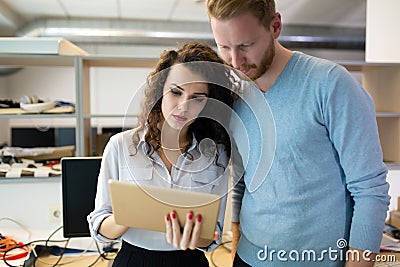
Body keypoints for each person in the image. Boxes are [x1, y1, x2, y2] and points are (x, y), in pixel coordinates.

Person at [206, 0, 391, 266]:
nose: (236, 61)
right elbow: (242, 183)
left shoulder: (330, 84)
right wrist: (236, 245)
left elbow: (370, 190)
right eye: (224, 47)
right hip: (247, 259)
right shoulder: (237, 98)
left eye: (246, 45)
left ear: (275, 26)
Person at [87, 41, 239, 267]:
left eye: (197, 98)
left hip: (188, 261)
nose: (183, 106)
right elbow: (99, 226)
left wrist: (196, 235)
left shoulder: (216, 155)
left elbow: (212, 236)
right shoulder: (121, 145)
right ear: (160, 90)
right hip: (134, 259)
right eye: (176, 92)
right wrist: (127, 215)